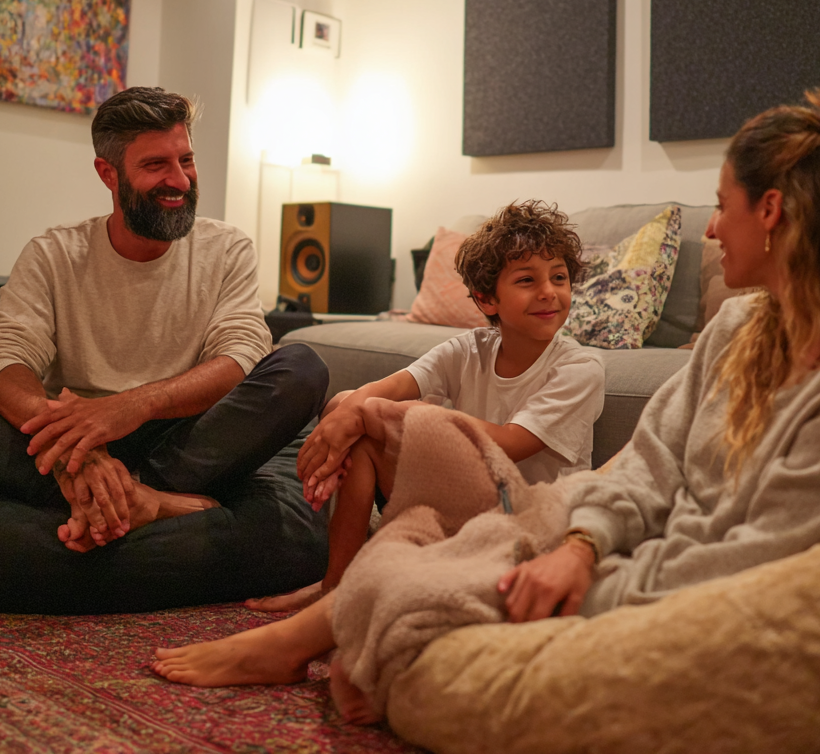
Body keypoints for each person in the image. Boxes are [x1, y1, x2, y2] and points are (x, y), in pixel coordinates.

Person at [152, 85, 820, 725]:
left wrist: (594, 575)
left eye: (722, 204)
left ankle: (320, 640)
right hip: (605, 525)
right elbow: (649, 461)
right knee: (441, 543)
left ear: (770, 212)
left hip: (677, 575)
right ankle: (325, 630)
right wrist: (579, 542)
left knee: (451, 557)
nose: (713, 227)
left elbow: (768, 551)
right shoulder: (741, 324)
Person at [0, 87, 329, 553]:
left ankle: (129, 494)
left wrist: (132, 406)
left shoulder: (227, 249)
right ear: (108, 174)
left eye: (185, 160)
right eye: (155, 165)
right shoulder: (54, 253)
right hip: (70, 437)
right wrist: (71, 449)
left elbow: (240, 354)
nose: (181, 181)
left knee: (302, 369)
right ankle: (141, 499)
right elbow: (1, 355)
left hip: (183, 443)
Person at [241, 200, 606, 612]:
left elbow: (508, 444)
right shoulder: (469, 348)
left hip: (531, 522)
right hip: (465, 504)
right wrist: (345, 416)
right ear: (488, 300)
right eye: (527, 280)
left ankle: (352, 584)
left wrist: (371, 413)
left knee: (368, 413)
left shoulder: (579, 367)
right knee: (351, 409)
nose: (549, 292)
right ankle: (337, 587)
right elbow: (390, 387)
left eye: (559, 278)